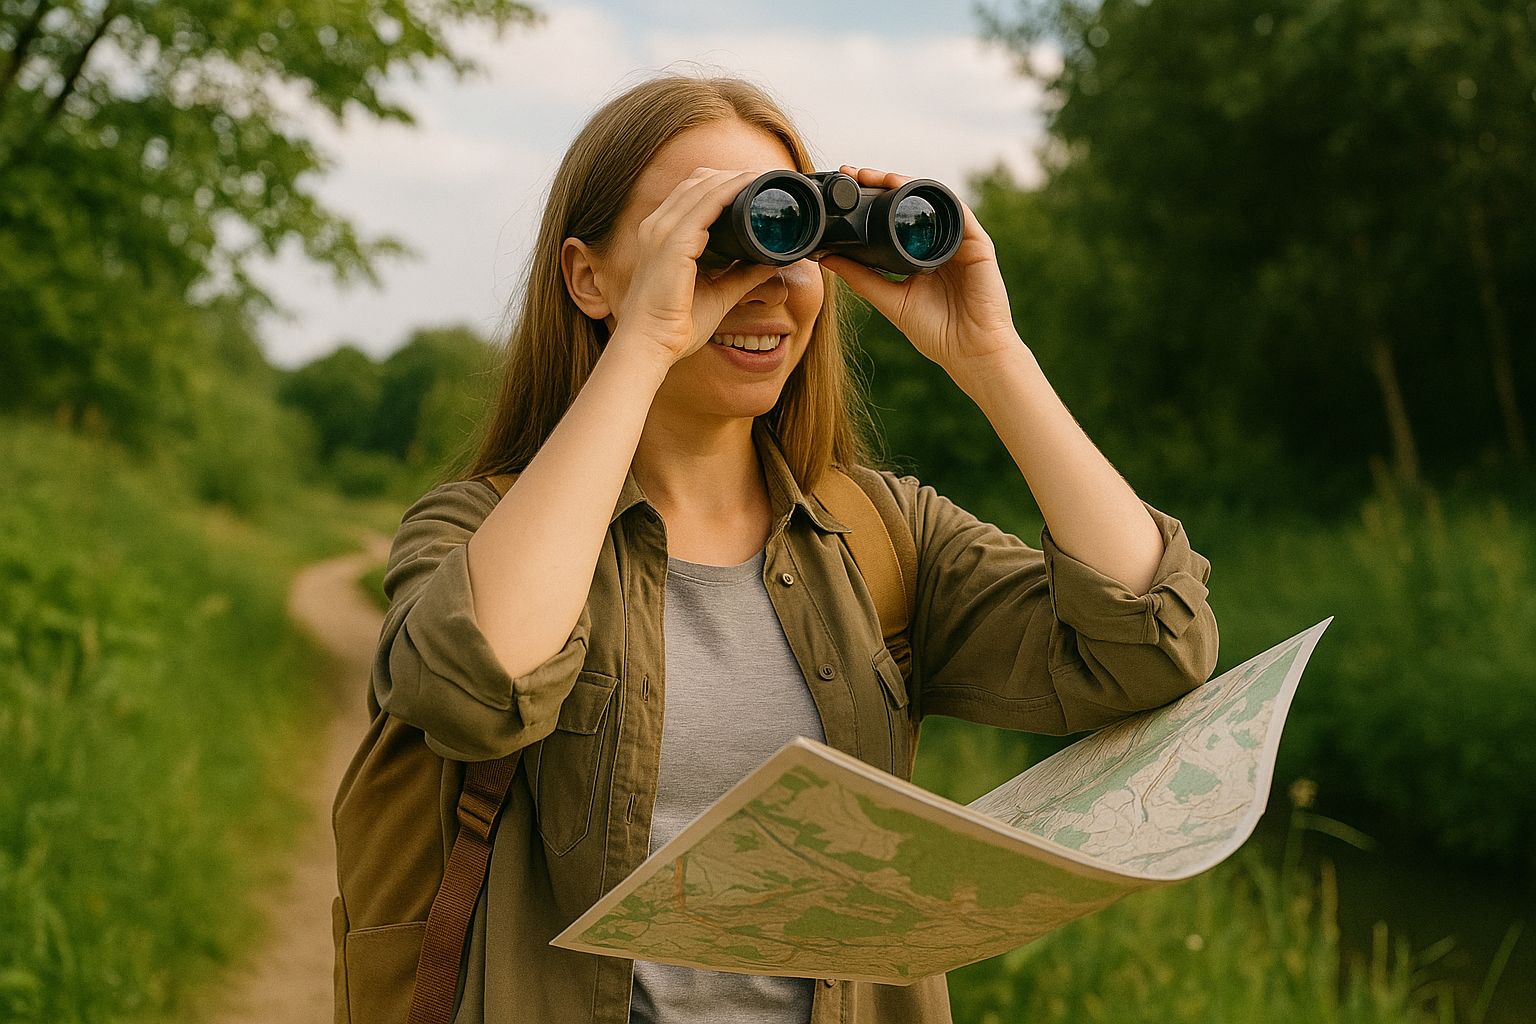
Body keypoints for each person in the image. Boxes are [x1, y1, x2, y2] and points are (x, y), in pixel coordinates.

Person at [372, 75, 1218, 1024]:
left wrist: (992, 356)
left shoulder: (881, 539)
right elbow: (470, 686)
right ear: (589, 276)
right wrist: (648, 340)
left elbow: (1154, 646)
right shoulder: (473, 533)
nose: (765, 277)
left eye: (793, 233)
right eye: (712, 234)